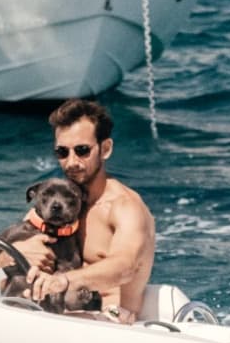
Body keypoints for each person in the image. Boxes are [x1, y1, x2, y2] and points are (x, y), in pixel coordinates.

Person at [14, 98, 155, 323]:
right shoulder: (57, 201)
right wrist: (17, 252)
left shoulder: (125, 207)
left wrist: (64, 281)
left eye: (82, 150)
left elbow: (125, 267)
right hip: (55, 310)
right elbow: (8, 253)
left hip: (112, 319)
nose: (71, 162)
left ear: (105, 149)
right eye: (62, 152)